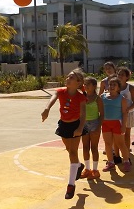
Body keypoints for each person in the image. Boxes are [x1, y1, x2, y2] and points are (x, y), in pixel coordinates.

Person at [41, 69, 87, 199]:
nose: (68, 78)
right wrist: (47, 109)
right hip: (64, 125)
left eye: (71, 77)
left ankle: (71, 185)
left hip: (76, 125)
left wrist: (80, 128)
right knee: (68, 150)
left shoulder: (80, 97)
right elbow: (53, 98)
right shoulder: (61, 91)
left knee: (73, 153)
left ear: (78, 83)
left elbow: (83, 115)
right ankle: (78, 165)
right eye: (68, 76)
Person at [100, 77, 132, 173]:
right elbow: (99, 110)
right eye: (110, 84)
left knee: (120, 143)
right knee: (108, 143)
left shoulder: (121, 99)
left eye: (114, 85)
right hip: (105, 123)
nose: (112, 86)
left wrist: (123, 126)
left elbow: (124, 113)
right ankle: (110, 162)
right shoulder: (103, 97)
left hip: (117, 123)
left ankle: (126, 161)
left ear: (119, 88)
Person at [80, 77, 102, 180]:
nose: (86, 86)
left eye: (88, 84)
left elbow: (102, 114)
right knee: (85, 147)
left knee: (94, 148)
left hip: (94, 123)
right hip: (84, 124)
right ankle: (87, 169)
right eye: (85, 84)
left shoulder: (98, 99)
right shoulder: (81, 97)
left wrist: (98, 127)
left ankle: (95, 170)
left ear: (94, 86)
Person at [116, 67, 134, 157]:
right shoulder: (115, 86)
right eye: (119, 74)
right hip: (117, 114)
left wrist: (128, 109)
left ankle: (126, 153)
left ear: (127, 77)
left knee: (126, 134)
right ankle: (116, 153)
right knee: (117, 134)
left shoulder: (131, 88)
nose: (120, 76)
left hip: (128, 114)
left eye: (122, 75)